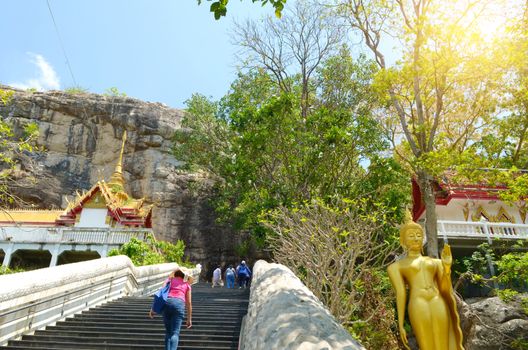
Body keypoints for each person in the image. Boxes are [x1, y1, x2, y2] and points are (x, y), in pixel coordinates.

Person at [387, 218, 464, 350]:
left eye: (419, 235)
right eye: (411, 236)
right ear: (403, 241)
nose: (416, 238)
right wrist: (400, 325)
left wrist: (446, 267)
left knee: (443, 344)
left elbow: (445, 287)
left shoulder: (436, 262)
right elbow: (400, 293)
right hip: (418, 302)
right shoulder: (396, 267)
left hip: (437, 300)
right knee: (426, 345)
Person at [149, 269, 193, 350]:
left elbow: (161, 294)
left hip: (167, 303)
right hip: (179, 304)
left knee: (168, 332)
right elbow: (189, 303)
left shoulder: (169, 280)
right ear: (185, 276)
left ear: (175, 273)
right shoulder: (187, 285)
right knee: (175, 333)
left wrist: (153, 308)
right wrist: (189, 318)